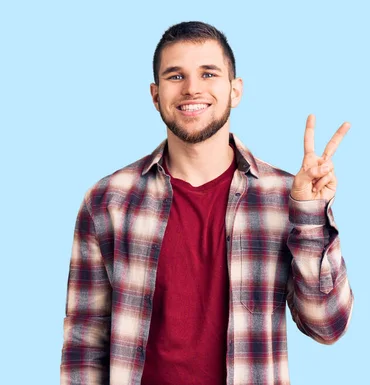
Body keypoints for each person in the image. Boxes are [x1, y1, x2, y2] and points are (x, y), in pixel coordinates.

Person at [60, 21, 353, 385]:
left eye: (208, 73)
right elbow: (84, 342)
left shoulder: (286, 197)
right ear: (155, 95)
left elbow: (327, 325)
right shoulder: (108, 201)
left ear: (235, 90)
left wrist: (310, 216)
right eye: (175, 76)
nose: (192, 88)